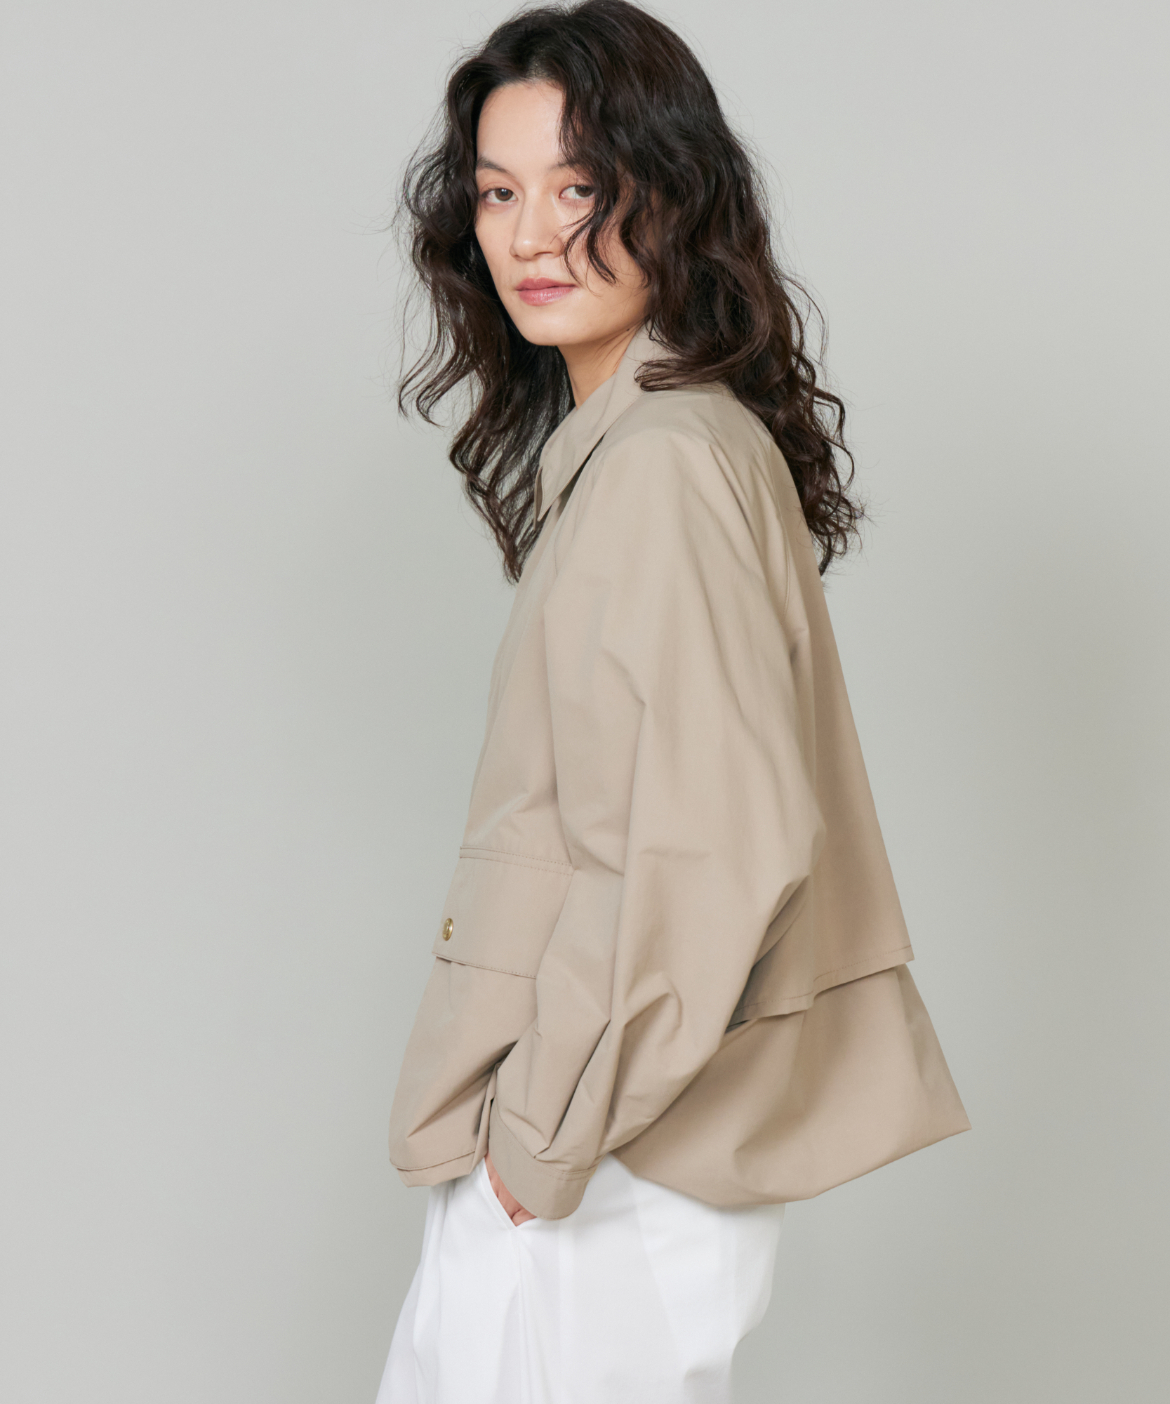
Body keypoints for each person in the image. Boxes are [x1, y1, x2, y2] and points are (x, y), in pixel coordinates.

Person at [376, 3, 969, 1400]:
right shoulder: (666, 441)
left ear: (672, 194)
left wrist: (538, 1140)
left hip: (602, 1163)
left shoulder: (661, 465)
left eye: (579, 188)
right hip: (605, 1148)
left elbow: (711, 846)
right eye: (498, 194)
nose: (531, 237)